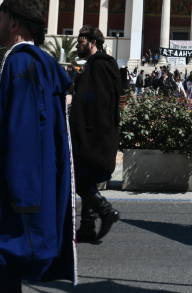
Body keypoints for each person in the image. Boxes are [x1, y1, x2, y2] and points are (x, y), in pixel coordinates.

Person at [0, 0, 76, 291]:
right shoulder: (37, 61)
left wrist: (22, 196)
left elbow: (25, 127)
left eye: (0, 19)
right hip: (29, 179)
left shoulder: (20, 63)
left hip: (15, 187)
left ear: (14, 23)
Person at [71, 25, 122, 244]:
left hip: (93, 134)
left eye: (81, 41)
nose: (77, 45)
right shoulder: (94, 65)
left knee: (77, 178)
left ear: (93, 42)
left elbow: (99, 104)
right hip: (92, 132)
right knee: (86, 178)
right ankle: (87, 227)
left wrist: (86, 130)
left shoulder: (99, 66)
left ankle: (105, 210)